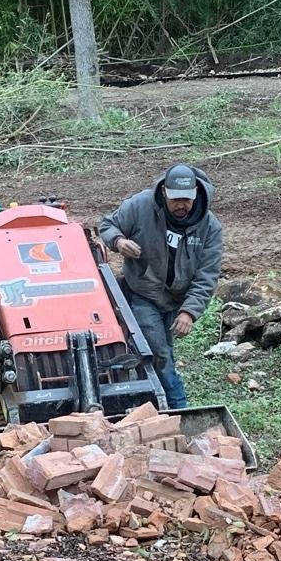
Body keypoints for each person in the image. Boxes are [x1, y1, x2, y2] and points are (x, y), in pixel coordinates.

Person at [98, 163, 222, 411]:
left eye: (186, 200)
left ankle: (151, 401)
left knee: (162, 350)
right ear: (164, 191)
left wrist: (189, 311)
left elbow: (207, 275)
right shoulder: (141, 206)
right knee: (158, 352)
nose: (181, 206)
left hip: (176, 299)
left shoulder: (210, 227)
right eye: (175, 199)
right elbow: (107, 225)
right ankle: (177, 407)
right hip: (143, 292)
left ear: (196, 193)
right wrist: (119, 241)